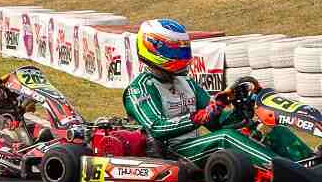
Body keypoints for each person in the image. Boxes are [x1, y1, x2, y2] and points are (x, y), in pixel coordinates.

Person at [124, 19, 310, 168]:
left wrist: (238, 111)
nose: (180, 56)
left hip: (195, 147)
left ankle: (309, 162)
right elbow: (156, 128)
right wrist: (199, 117)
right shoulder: (139, 88)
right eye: (173, 49)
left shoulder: (186, 82)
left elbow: (214, 123)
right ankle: (284, 170)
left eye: (182, 49)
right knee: (225, 137)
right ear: (152, 47)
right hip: (171, 153)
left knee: (266, 127)